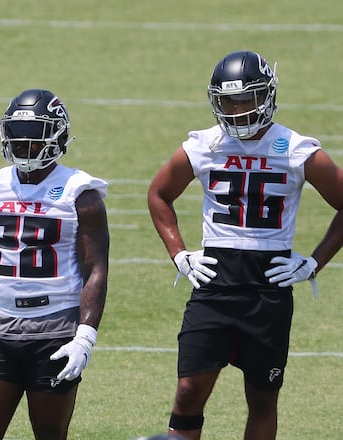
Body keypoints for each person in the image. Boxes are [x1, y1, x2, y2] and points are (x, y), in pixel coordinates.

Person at [147, 50, 343, 440]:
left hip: (268, 288)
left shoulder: (297, 149)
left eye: (246, 98)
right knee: (188, 392)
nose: (236, 109)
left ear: (267, 96)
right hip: (214, 284)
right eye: (227, 101)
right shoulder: (203, 145)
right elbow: (158, 194)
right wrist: (180, 255)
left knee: (262, 396)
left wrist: (314, 263)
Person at [0, 89, 110, 440]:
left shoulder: (80, 193)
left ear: (57, 137)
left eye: (35, 138)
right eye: (18, 137)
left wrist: (85, 336)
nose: (24, 146)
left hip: (55, 327)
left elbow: (95, 269)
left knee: (50, 434)